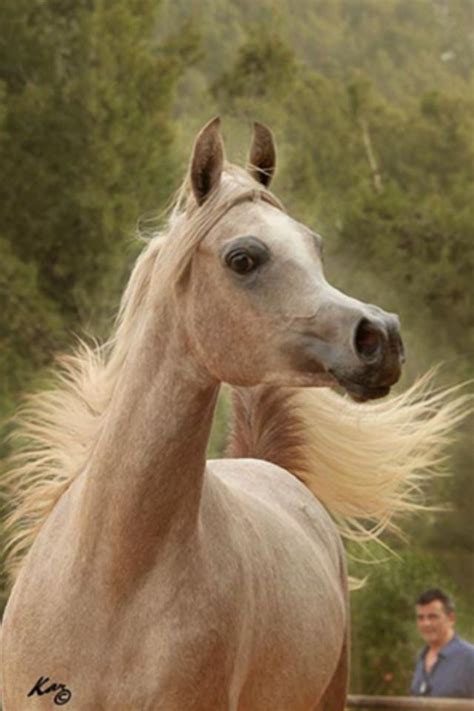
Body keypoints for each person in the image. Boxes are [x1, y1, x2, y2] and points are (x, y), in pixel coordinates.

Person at [411, 588, 474, 698]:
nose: (426, 624)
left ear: (451, 619)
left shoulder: (470, 658)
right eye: (421, 618)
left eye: (433, 617)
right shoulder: (421, 657)